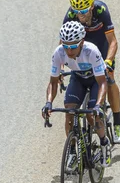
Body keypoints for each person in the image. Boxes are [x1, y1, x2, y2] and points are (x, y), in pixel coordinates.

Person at [43, 21, 110, 167]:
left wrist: (98, 105)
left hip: (95, 80)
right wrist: (48, 103)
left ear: (82, 42)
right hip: (78, 78)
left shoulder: (91, 51)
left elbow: (102, 83)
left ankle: (104, 142)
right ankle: (73, 150)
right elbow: (53, 82)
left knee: (93, 115)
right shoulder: (58, 53)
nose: (69, 50)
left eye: (73, 46)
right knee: (69, 111)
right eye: (66, 46)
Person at [64, 0, 120, 144]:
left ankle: (117, 122)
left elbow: (112, 41)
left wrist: (108, 62)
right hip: (83, 48)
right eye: (77, 10)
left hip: (101, 46)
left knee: (109, 78)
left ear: (91, 6)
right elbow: (64, 43)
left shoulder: (101, 10)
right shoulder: (71, 15)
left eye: (84, 10)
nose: (80, 15)